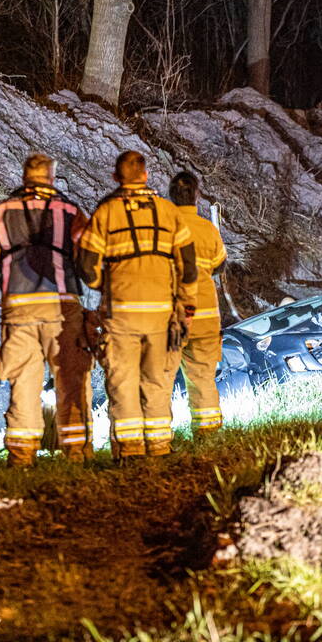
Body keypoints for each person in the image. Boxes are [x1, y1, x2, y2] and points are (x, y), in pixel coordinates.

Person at [0, 153, 94, 467]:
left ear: (25, 178)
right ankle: (77, 454)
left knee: (24, 383)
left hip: (19, 311)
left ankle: (22, 456)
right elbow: (89, 261)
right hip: (62, 308)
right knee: (70, 380)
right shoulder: (71, 213)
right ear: (52, 178)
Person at [77, 151, 198, 460]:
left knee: (123, 382)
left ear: (116, 178)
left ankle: (130, 452)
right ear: (146, 175)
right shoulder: (168, 212)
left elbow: (87, 267)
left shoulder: (106, 213)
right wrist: (186, 310)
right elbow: (188, 267)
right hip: (161, 315)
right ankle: (159, 448)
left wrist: (99, 293)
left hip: (122, 315)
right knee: (157, 382)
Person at [166, 171, 227, 437]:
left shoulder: (163, 229)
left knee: (160, 380)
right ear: (196, 195)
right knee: (203, 378)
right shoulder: (207, 229)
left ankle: (158, 439)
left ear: (170, 196)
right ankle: (208, 434)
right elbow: (220, 265)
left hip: (171, 317)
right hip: (205, 318)